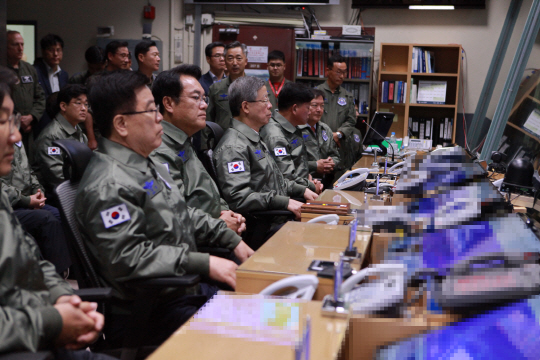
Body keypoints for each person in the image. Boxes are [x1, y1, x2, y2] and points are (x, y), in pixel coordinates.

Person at [75, 70, 253, 347]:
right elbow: (128, 257)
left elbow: (180, 211)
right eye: (149, 111)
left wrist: (229, 238)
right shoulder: (109, 184)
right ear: (121, 123)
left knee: (270, 309)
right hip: (151, 313)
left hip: (181, 292)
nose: (159, 118)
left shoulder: (144, 163)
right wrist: (204, 262)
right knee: (259, 334)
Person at [0, 65, 111, 360]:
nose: (14, 136)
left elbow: (33, 262)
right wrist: (55, 320)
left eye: (12, 119)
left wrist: (63, 298)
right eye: (2, 121)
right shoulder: (52, 136)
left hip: (39, 334)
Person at [213, 76, 318, 247]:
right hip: (262, 228)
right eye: (264, 101)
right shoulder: (234, 147)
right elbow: (239, 198)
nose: (270, 106)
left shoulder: (253, 138)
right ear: (246, 107)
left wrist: (303, 190)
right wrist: (284, 202)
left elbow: (275, 179)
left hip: (277, 219)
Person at [151, 64, 246, 235]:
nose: (204, 106)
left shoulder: (184, 140)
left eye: (204, 99)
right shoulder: (160, 150)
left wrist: (227, 213)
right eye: (196, 98)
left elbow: (207, 193)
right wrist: (219, 224)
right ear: (169, 103)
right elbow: (173, 213)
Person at [260, 82, 321, 194]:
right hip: (290, 196)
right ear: (294, 109)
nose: (310, 112)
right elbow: (286, 177)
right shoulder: (275, 136)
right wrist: (311, 186)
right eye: (308, 108)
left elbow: (297, 165)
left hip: (301, 188)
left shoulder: (292, 127)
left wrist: (308, 180)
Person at [32, 84, 88, 200]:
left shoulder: (78, 130)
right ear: (63, 106)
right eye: (78, 103)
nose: (84, 108)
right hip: (57, 194)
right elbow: (56, 176)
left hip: (79, 188)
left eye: (86, 104)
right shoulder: (51, 135)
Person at [317, 54, 362, 172]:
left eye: (344, 72)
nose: (342, 76)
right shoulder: (316, 93)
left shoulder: (348, 96)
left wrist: (339, 134)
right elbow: (309, 118)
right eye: (338, 72)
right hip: (319, 145)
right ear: (328, 71)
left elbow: (351, 120)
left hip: (341, 146)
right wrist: (326, 135)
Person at [6, 30, 46, 152]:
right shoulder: (2, 70)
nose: (20, 48)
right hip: (8, 129)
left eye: (22, 44)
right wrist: (17, 120)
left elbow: (40, 97)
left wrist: (31, 117)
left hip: (28, 129)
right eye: (15, 44)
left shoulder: (29, 69)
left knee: (28, 163)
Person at [301, 88, 342, 189]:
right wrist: (315, 165)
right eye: (314, 105)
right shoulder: (296, 129)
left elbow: (336, 156)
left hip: (327, 182)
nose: (319, 110)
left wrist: (331, 163)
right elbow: (293, 163)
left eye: (322, 106)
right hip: (304, 183)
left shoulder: (325, 129)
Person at [34, 34, 70, 139]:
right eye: (51, 50)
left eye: (58, 50)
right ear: (43, 51)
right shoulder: (35, 71)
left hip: (59, 123)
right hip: (40, 123)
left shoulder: (64, 75)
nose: (55, 54)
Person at [206, 41, 248, 131]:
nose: (234, 63)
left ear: (246, 61)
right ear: (225, 61)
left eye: (239, 58)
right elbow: (208, 122)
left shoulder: (256, 87)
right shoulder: (216, 88)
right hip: (222, 140)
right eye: (230, 58)